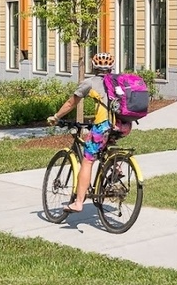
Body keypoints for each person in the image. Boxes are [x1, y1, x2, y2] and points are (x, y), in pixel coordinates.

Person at [47, 51, 131, 213]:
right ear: (111, 68)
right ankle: (116, 166)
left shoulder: (90, 82)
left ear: (93, 66)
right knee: (106, 143)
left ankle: (78, 203)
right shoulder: (118, 82)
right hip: (124, 125)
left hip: (104, 125)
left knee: (88, 160)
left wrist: (56, 117)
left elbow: (71, 102)